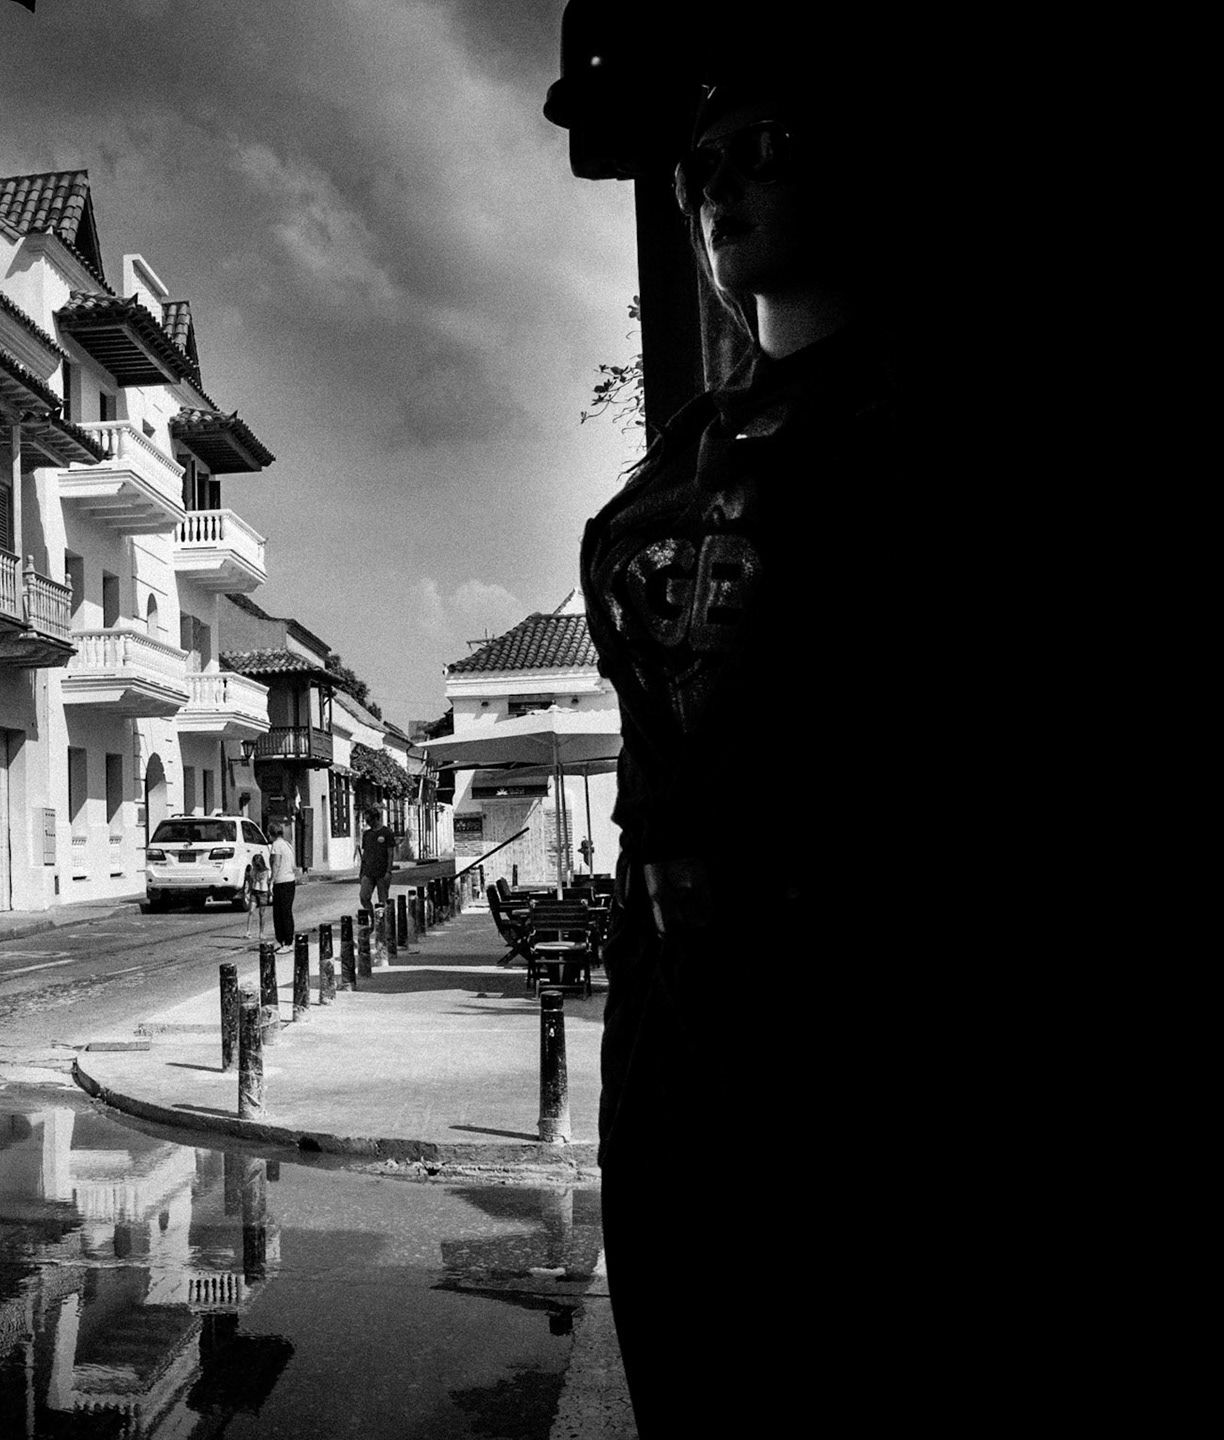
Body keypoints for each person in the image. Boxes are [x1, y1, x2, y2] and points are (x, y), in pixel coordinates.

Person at [577, 74, 918, 1435]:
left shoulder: (897, 430)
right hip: (671, 994)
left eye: (758, 151)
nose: (719, 185)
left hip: (841, 988)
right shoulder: (694, 442)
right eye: (695, 168)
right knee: (690, 1342)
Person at [354, 804, 396, 913]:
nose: (368, 823)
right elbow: (365, 853)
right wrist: (362, 872)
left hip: (382, 872)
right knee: (364, 896)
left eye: (370, 820)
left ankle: (383, 922)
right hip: (368, 871)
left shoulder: (386, 832)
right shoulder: (367, 834)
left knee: (382, 900)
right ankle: (372, 917)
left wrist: (388, 871)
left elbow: (390, 853)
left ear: (376, 818)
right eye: (367, 820)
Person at [265, 820, 298, 948]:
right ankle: (288, 941)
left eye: (268, 834)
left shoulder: (276, 845)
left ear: (272, 834)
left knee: (279, 914)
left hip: (281, 882)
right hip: (290, 880)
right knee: (287, 912)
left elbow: (276, 863)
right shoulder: (287, 845)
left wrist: (271, 881)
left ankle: (285, 941)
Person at [242, 852, 272, 941]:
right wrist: (248, 890)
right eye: (255, 865)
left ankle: (261, 933)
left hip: (264, 892)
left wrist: (270, 894)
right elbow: (251, 880)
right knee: (251, 911)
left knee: (262, 914)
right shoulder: (253, 871)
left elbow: (269, 883)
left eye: (258, 865)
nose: (256, 867)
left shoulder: (267, 872)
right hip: (255, 892)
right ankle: (248, 932)